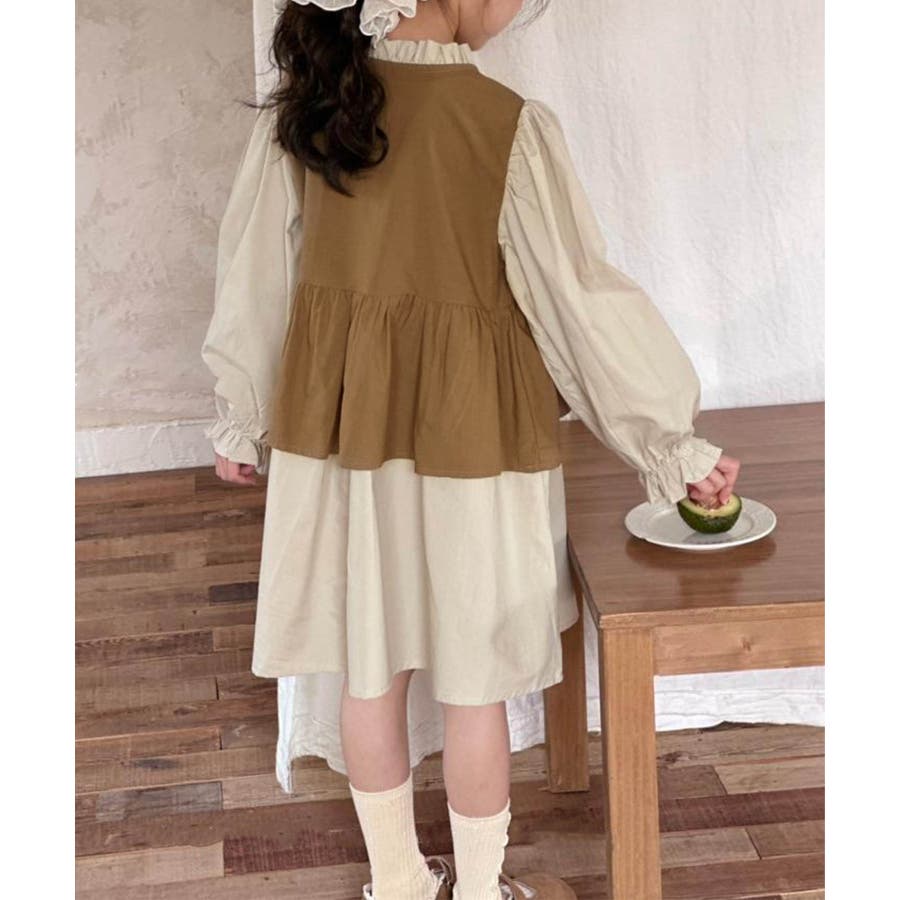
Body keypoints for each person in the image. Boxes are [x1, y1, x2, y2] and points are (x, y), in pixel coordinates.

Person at [200, 1, 742, 898]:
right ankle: (483, 890)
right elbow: (579, 304)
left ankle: (400, 884)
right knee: (474, 689)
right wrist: (669, 444)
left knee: (369, 676)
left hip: (345, 443)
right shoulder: (506, 126)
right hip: (476, 446)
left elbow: (253, 277)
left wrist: (242, 413)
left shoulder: (309, 114)